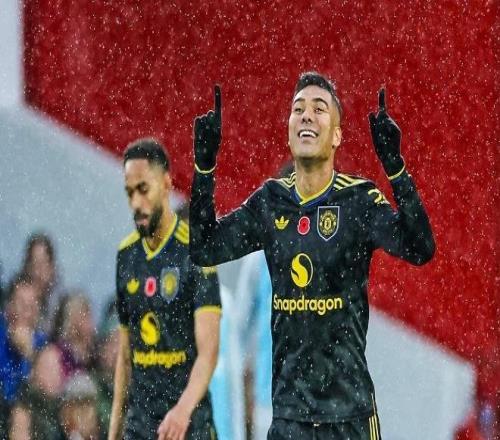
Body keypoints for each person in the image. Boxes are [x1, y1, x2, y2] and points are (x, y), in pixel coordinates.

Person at [189, 73, 435, 439]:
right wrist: (204, 168)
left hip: (349, 416)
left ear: (336, 136)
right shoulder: (270, 203)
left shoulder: (358, 200)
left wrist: (396, 169)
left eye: (319, 109)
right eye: (298, 109)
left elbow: (420, 248)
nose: (306, 115)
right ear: (289, 132)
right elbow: (205, 248)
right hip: (290, 417)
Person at [108, 139, 221, 440]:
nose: (136, 203)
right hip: (141, 426)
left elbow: (208, 353)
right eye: (130, 193)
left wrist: (182, 410)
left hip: (189, 425)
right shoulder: (126, 255)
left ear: (167, 184)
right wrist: (114, 432)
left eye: (143, 189)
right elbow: (125, 357)